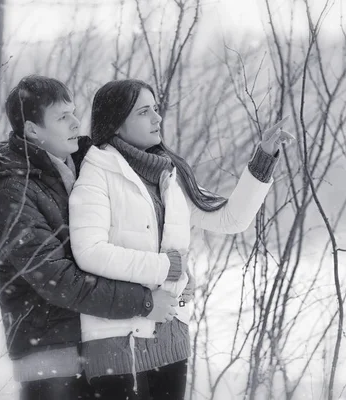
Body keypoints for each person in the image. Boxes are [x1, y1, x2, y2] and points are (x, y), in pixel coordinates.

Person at [68, 78, 294, 399]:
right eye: (144, 112)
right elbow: (90, 253)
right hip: (117, 341)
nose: (158, 119)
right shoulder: (97, 173)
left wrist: (264, 157)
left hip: (170, 337)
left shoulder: (169, 176)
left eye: (156, 109)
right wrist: (168, 268)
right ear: (116, 124)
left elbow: (231, 218)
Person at [0, 75, 179, 400]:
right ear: (32, 130)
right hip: (50, 355)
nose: (76, 122)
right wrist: (143, 302)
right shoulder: (11, 196)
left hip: (100, 340)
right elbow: (58, 279)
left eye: (74, 112)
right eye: (62, 117)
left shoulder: (85, 162)